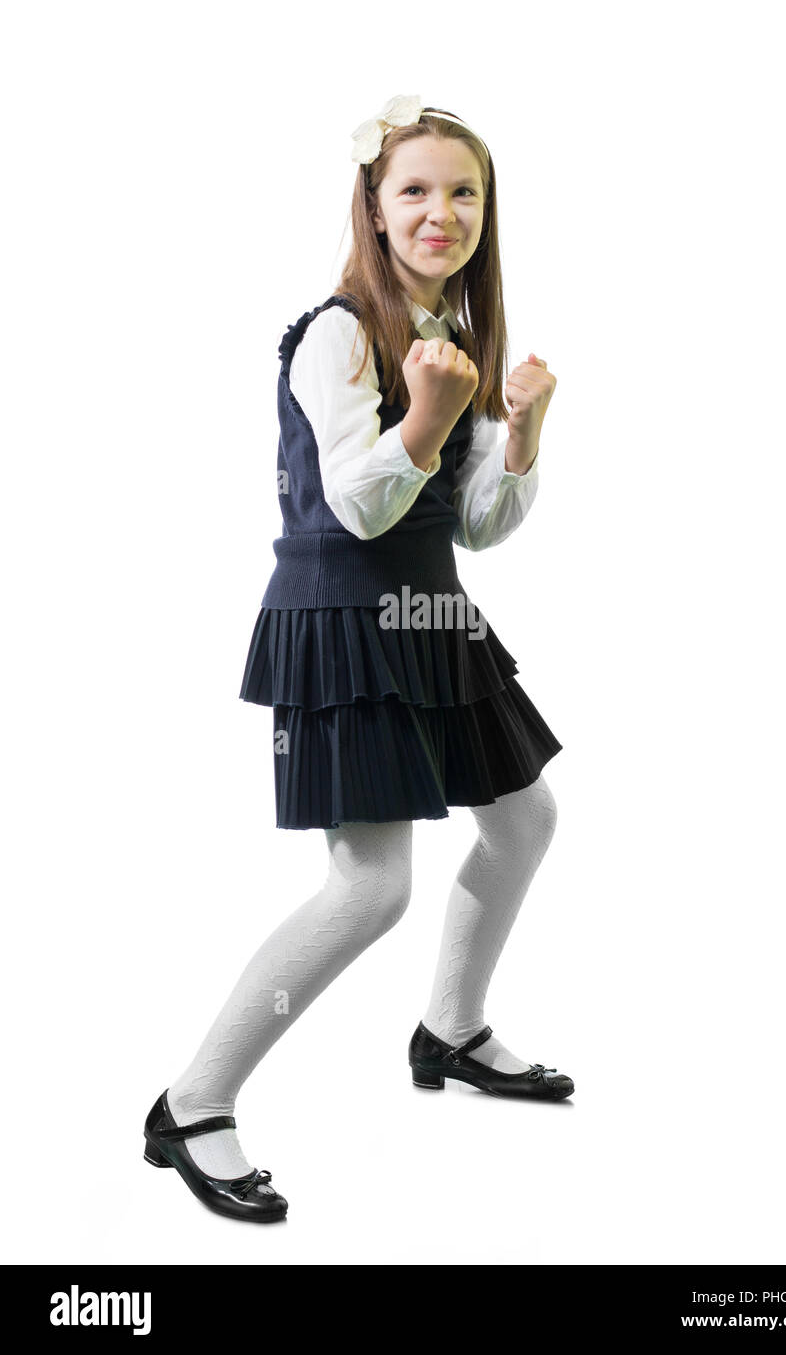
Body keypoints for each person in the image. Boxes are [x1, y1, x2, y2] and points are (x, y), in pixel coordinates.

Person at [142, 94, 572, 1224]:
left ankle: (451, 1028)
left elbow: (472, 524)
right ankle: (192, 1100)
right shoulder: (337, 331)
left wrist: (517, 434)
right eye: (415, 191)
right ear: (373, 210)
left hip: (435, 617)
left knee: (523, 819)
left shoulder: (459, 335)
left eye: (462, 191)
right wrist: (426, 418)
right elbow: (358, 503)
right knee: (371, 885)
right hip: (342, 621)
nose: (441, 212)